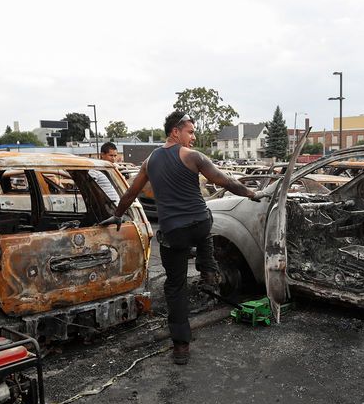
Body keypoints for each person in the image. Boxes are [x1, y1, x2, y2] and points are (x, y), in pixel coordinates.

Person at [101, 111, 265, 365]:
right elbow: (227, 181)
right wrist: (254, 195)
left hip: (173, 232)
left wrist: (117, 215)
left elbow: (131, 192)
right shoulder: (193, 157)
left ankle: (181, 347)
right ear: (175, 132)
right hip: (199, 225)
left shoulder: (149, 161)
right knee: (206, 223)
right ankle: (209, 272)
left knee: (175, 287)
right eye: (190, 131)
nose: (193, 137)